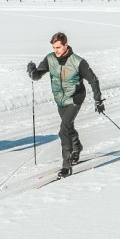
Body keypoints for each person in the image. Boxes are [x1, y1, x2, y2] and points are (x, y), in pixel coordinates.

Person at [27, 31, 104, 178]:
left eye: (58, 47)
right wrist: (31, 71)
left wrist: (98, 99)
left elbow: (93, 80)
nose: (55, 51)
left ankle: (66, 166)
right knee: (68, 126)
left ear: (66, 45)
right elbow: (37, 76)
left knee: (63, 129)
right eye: (53, 48)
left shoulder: (77, 61)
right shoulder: (50, 59)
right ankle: (77, 147)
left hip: (75, 98)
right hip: (60, 99)